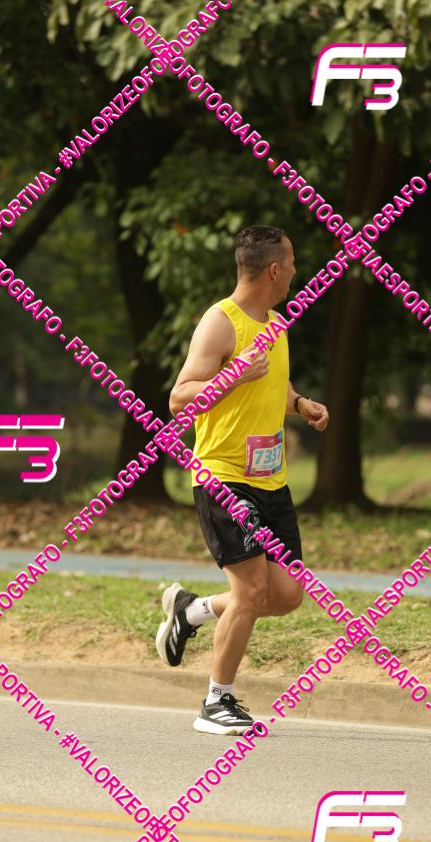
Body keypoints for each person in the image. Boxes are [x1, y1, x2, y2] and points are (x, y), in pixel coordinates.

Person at [155, 225, 329, 734]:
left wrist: (300, 404)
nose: (296, 270)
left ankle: (192, 612)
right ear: (274, 269)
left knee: (287, 595)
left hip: (271, 482)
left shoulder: (276, 324)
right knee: (252, 591)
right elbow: (179, 397)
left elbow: (274, 384)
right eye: (291, 262)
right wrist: (232, 376)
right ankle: (216, 701)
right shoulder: (220, 322)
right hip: (223, 478)